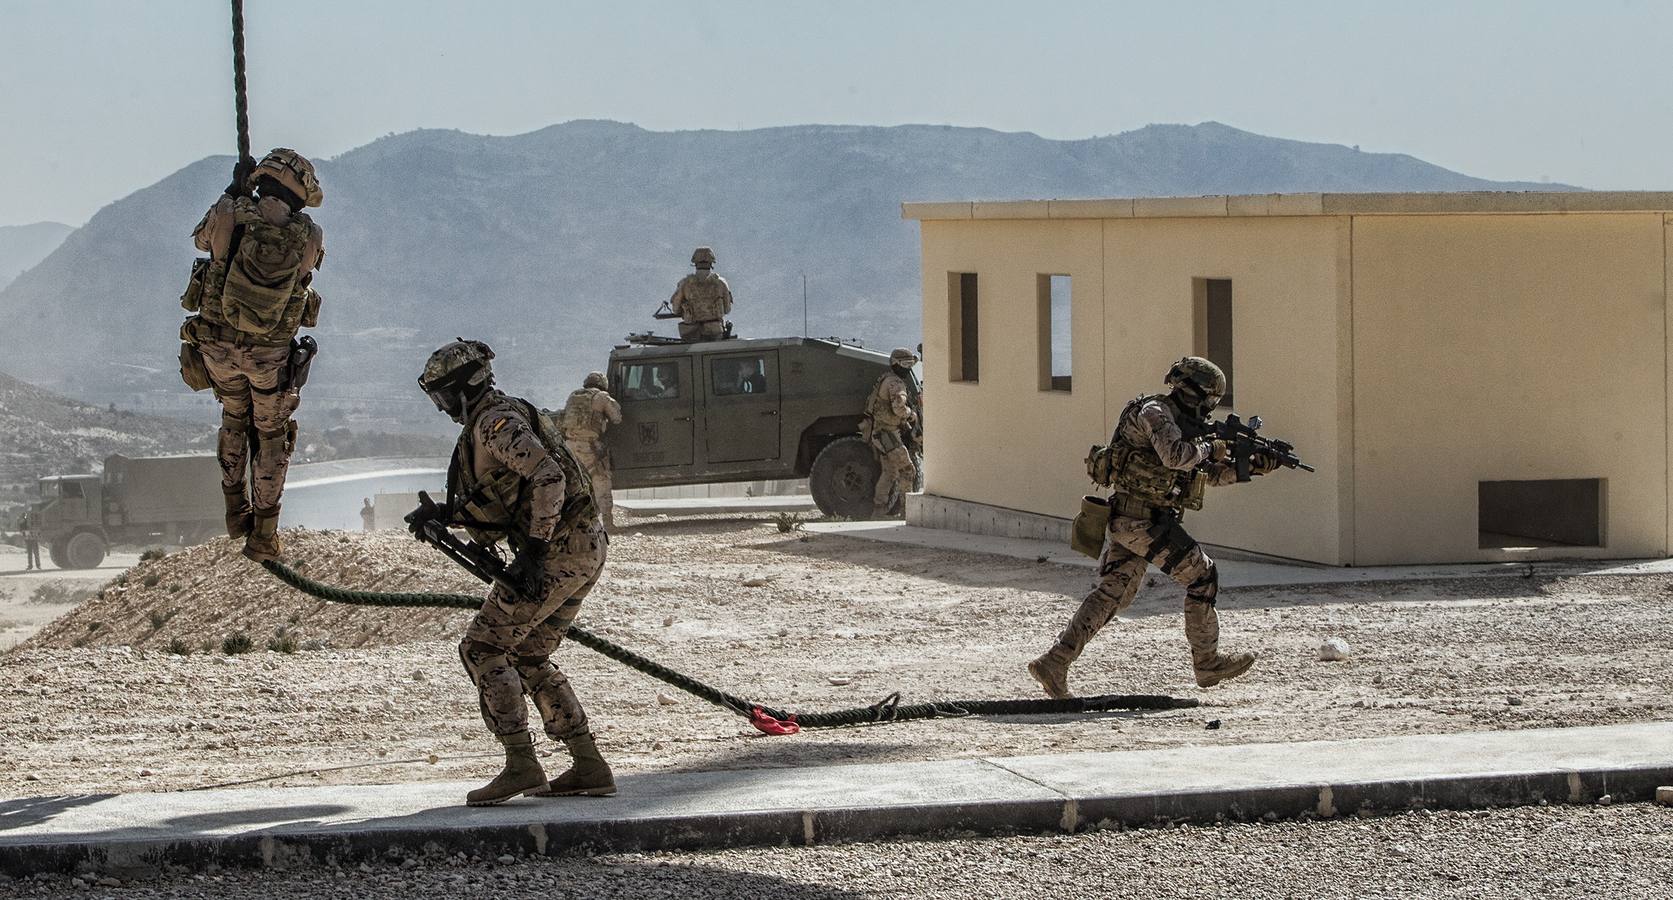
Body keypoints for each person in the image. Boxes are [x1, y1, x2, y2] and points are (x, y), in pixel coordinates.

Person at [415, 339, 614, 806]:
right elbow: (507, 495)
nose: (443, 407)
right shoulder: (504, 415)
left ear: (465, 387)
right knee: (527, 655)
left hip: (557, 553)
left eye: (445, 395)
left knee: (482, 648)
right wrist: (445, 517)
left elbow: (549, 477)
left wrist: (534, 552)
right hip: (583, 548)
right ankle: (588, 763)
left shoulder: (494, 424)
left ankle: (521, 762)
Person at [1029, 357, 1280, 698]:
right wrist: (1211, 448)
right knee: (1203, 576)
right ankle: (1206, 662)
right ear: (1199, 393)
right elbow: (1176, 457)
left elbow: (1201, 474)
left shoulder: (1181, 424)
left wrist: (1251, 468)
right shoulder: (1154, 412)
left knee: (1113, 593)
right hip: (1141, 521)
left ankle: (1054, 662)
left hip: (1139, 521)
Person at [182, 148, 326, 562]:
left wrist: (233, 190)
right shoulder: (310, 235)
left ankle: (234, 510)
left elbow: (200, 239)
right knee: (272, 435)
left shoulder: (229, 211)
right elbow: (305, 277)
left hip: (218, 346)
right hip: (270, 357)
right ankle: (264, 533)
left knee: (233, 419)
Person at [556, 372, 623, 530]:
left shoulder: (574, 395)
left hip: (569, 446)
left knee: (574, 485)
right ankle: (608, 523)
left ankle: (572, 524)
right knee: (602, 481)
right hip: (589, 446)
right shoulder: (601, 397)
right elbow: (617, 417)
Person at [863, 347, 923, 518]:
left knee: (889, 473)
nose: (908, 367)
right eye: (905, 364)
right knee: (908, 470)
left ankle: (879, 511)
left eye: (910, 364)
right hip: (887, 434)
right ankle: (907, 512)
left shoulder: (887, 379)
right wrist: (910, 414)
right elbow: (898, 408)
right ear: (896, 364)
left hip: (881, 433)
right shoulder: (895, 384)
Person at [668, 246, 733, 342]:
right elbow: (727, 309)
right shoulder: (721, 283)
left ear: (695, 263)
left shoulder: (685, 283)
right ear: (711, 262)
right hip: (714, 332)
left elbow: (675, 309)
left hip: (691, 333)